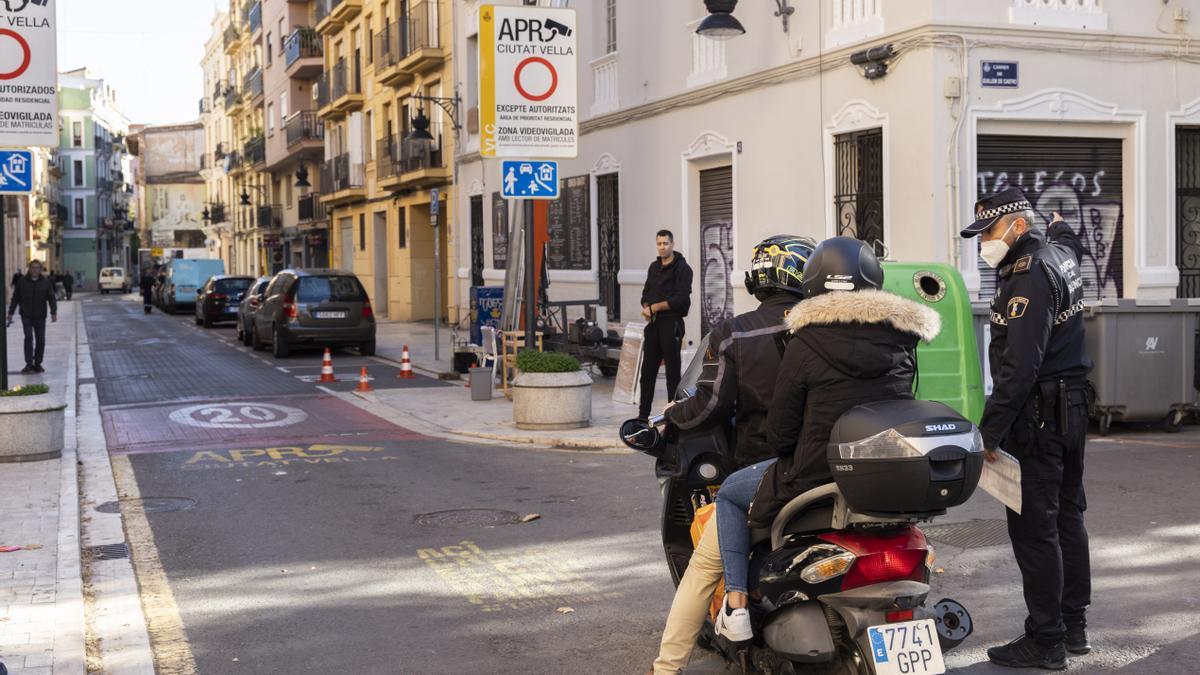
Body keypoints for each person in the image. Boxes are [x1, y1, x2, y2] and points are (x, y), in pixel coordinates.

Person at [711, 237, 941, 640]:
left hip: (814, 474)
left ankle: (736, 606)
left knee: (730, 492)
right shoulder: (904, 340)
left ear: (813, 282)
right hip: (884, 472)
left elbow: (781, 434)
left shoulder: (804, 342)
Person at [650, 234, 817, 674]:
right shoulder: (827, 328)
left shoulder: (734, 332)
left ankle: (666, 668)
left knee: (705, 567)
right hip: (832, 465)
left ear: (757, 278)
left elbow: (708, 404)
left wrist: (672, 415)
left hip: (764, 472)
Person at [961, 188, 1092, 670]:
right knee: (1067, 517)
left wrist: (987, 434)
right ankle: (1073, 625)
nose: (983, 243)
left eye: (989, 232)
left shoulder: (1028, 274)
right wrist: (1061, 227)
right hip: (1072, 407)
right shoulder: (1058, 253)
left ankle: (1047, 639)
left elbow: (1020, 367)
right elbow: (1072, 244)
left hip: (1039, 415)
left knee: (1036, 529)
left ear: (1017, 225)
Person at [639, 229, 693, 420]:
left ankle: (672, 415)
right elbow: (646, 294)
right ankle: (642, 416)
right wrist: (646, 307)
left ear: (672, 244)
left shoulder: (683, 268)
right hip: (653, 325)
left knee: (672, 374)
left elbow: (680, 299)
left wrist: (654, 308)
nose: (662, 247)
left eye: (665, 243)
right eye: (659, 244)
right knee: (647, 373)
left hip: (672, 324)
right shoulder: (654, 267)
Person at [7, 260, 59, 374]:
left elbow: (51, 298)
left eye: (37, 268)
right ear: (29, 269)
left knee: (41, 340)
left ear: (40, 269)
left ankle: (38, 364)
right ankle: (29, 364)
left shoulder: (46, 282)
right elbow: (15, 298)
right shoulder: (22, 281)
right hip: (26, 315)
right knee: (29, 337)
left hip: (40, 316)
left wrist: (53, 312)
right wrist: (10, 312)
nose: (35, 270)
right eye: (33, 268)